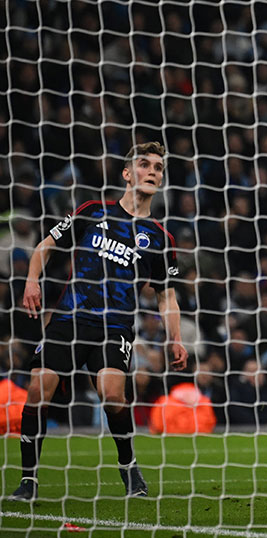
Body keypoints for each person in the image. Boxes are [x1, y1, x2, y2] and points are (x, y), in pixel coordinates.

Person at [10, 141, 188, 502]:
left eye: (158, 168)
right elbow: (45, 246)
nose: (153, 171)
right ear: (127, 173)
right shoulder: (92, 212)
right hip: (70, 318)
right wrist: (32, 280)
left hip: (114, 327)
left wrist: (176, 337)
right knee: (38, 390)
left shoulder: (160, 237)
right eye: (145, 164)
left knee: (112, 395)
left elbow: (166, 295)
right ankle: (28, 481)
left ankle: (129, 467)